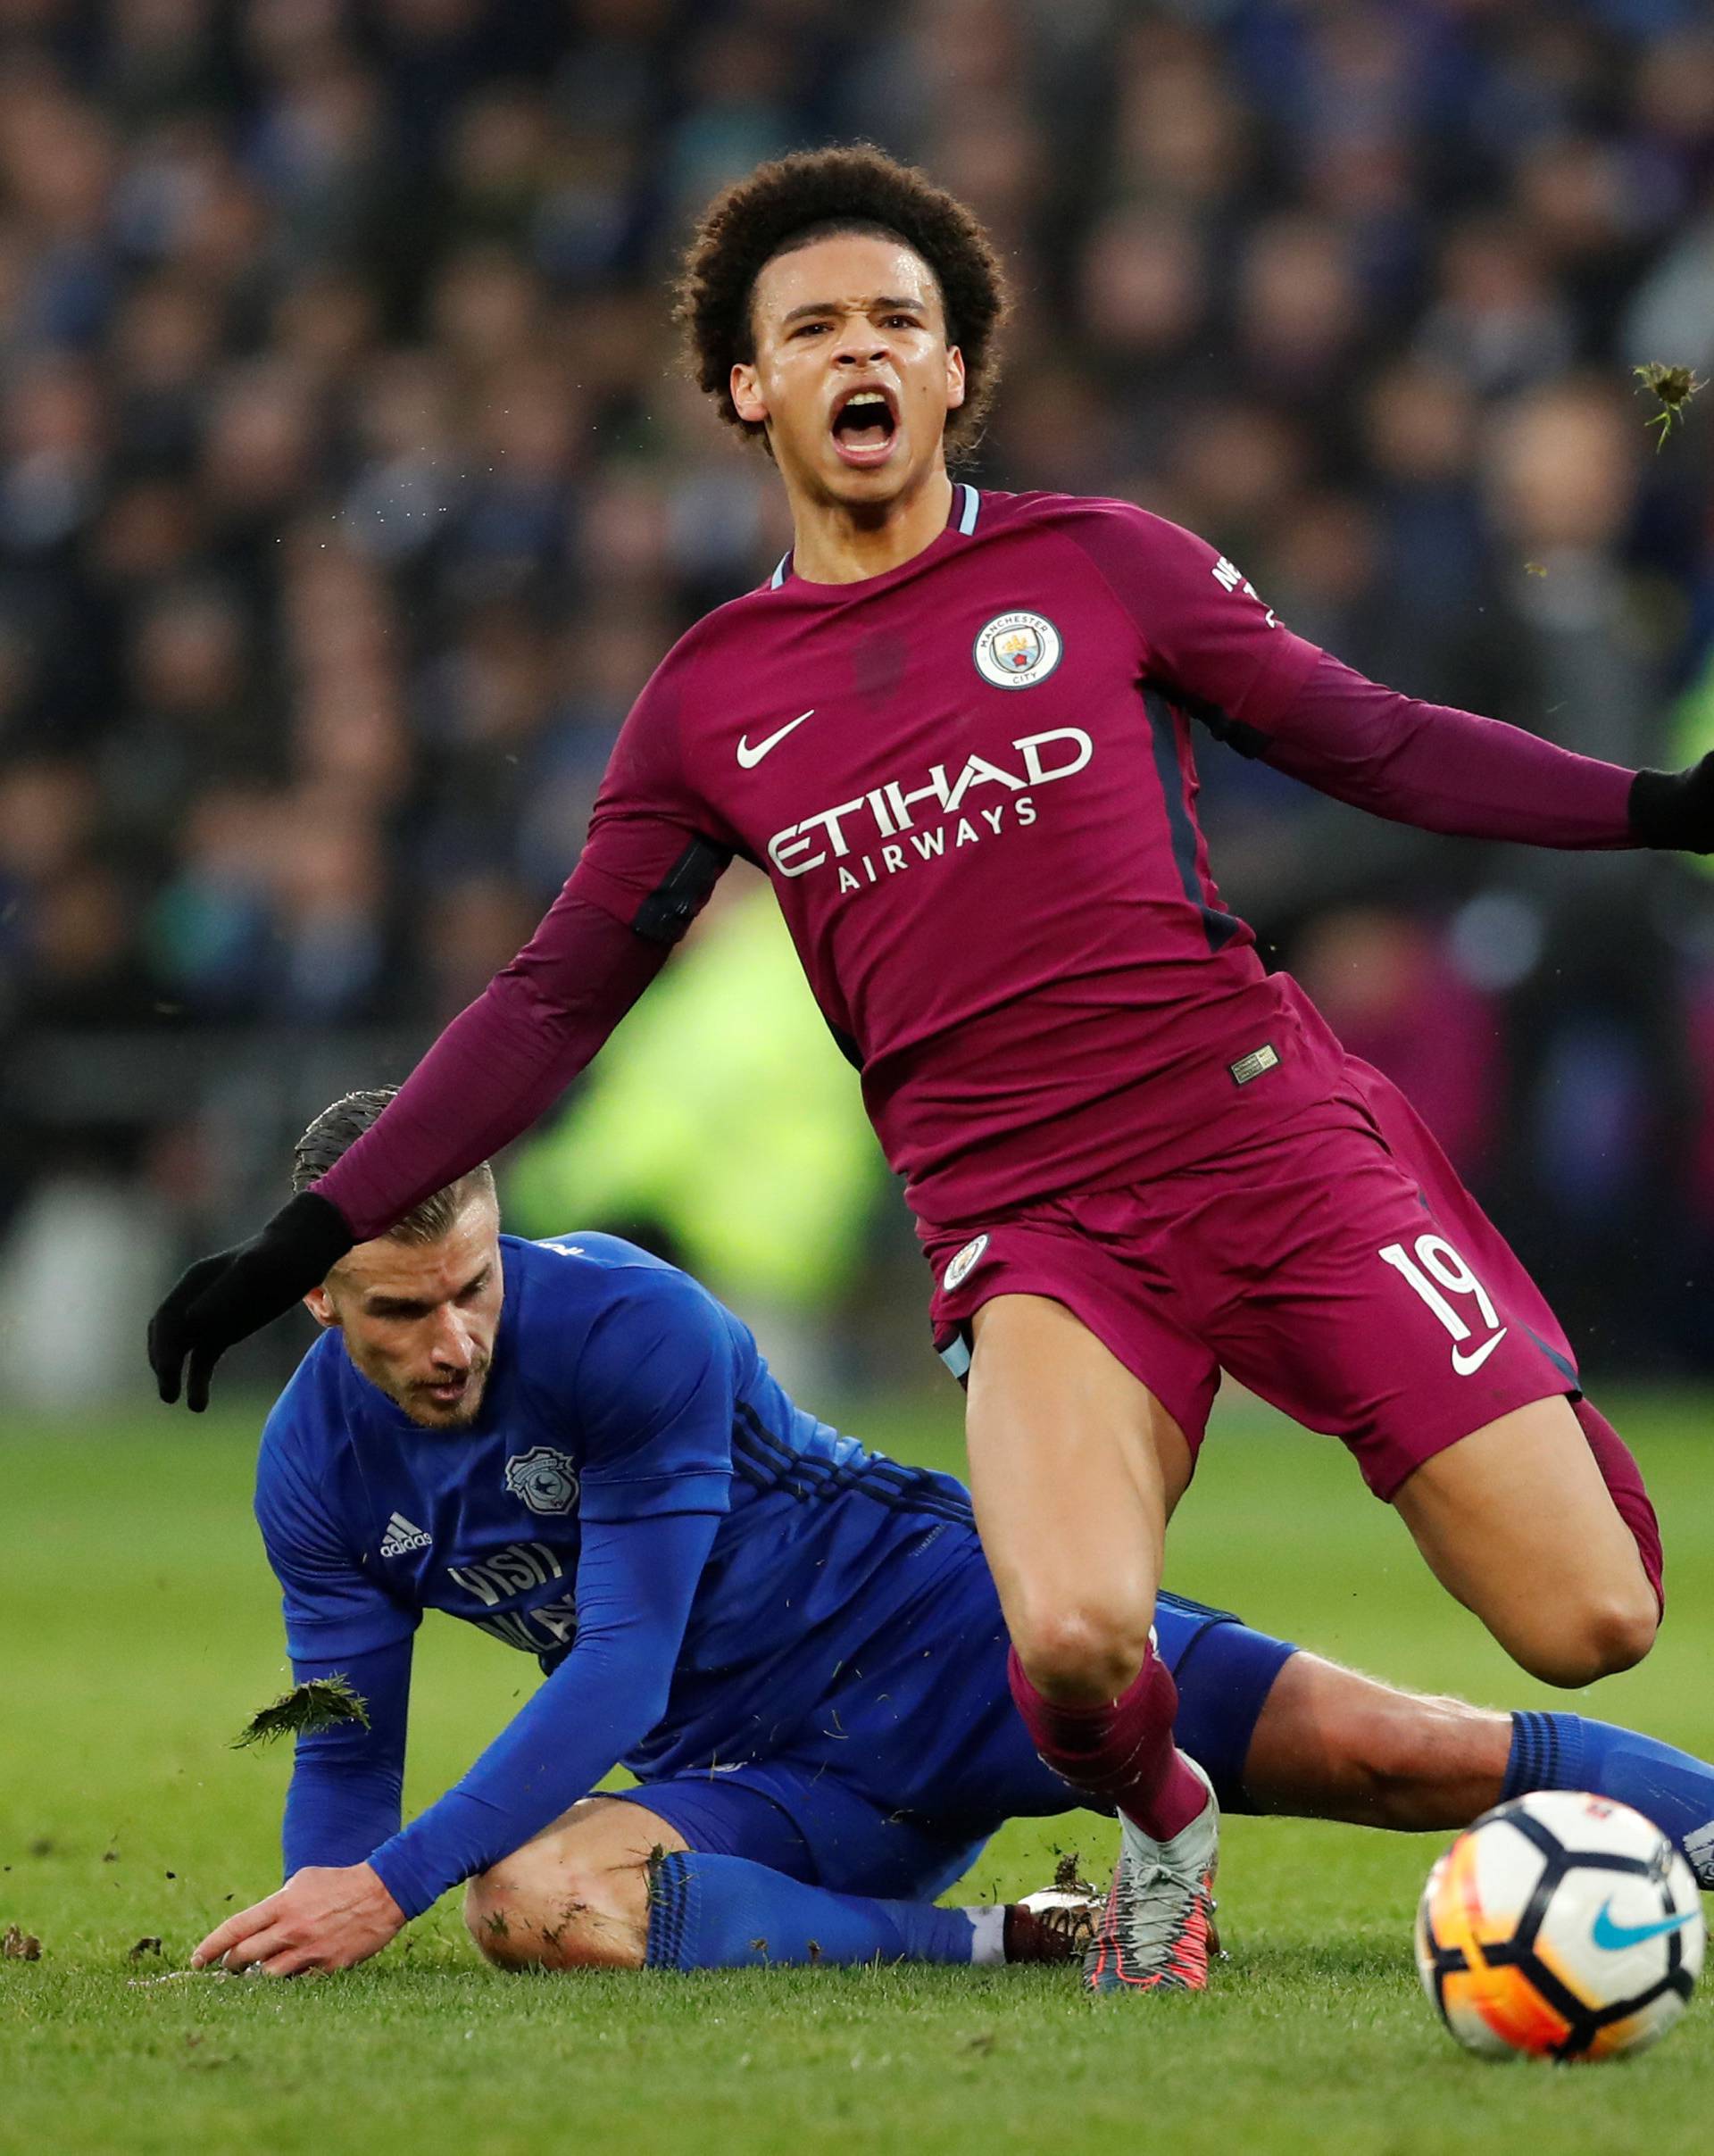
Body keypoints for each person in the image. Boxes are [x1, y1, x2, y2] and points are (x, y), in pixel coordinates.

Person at [155, 147, 1714, 1994]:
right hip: (1031, 1227)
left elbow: (1370, 741)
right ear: (748, 389)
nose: (861, 350)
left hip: (1260, 1131)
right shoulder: (711, 700)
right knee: (1065, 1640)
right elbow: (551, 998)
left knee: (1592, 1613)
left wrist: (1657, 808)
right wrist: (305, 1232)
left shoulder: (1101, 565)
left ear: (955, 367)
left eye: (899, 317)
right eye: (810, 327)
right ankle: (1162, 1832)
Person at [192, 1093, 1714, 1984]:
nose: (454, 1337)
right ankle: (1047, 1937)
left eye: (474, 1284)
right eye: (405, 1308)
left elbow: (614, 1668)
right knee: (532, 1906)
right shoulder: (311, 1472)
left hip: (953, 1630)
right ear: (317, 1298)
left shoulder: (620, 1324)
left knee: (1406, 1756)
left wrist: (381, 1886)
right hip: (761, 1780)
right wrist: (313, 1914)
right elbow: (345, 1747)